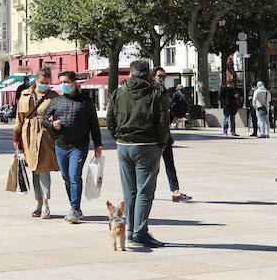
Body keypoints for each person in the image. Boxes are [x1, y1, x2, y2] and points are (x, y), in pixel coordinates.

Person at [106, 59, 170, 249]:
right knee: (145, 190)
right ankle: (139, 232)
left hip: (124, 145)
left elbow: (110, 119)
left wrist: (118, 136)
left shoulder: (119, 92)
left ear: (131, 73)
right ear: (148, 74)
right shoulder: (155, 94)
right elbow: (163, 122)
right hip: (147, 145)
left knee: (129, 190)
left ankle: (131, 229)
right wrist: (162, 143)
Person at [42, 70, 103, 224]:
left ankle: (74, 209)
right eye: (61, 82)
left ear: (75, 83)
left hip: (79, 145)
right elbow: (44, 121)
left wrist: (98, 145)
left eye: (66, 82)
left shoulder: (86, 102)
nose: (64, 85)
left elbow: (94, 125)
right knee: (66, 178)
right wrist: (52, 124)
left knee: (74, 176)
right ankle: (75, 206)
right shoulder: (56, 101)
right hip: (61, 145)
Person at [13, 70, 58, 219]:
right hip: (28, 135)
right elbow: (19, 118)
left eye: (47, 83)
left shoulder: (54, 96)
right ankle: (38, 203)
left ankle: (46, 204)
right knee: (34, 170)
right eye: (42, 82)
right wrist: (16, 139)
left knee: (44, 170)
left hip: (46, 134)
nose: (45, 85)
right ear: (36, 81)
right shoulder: (25, 95)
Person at [152, 68, 192, 203]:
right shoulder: (149, 91)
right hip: (152, 135)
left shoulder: (165, 91)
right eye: (160, 76)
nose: (162, 78)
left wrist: (173, 118)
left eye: (164, 76)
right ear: (153, 76)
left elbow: (167, 111)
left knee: (169, 163)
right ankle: (146, 192)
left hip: (165, 133)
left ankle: (175, 191)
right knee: (152, 166)